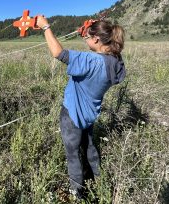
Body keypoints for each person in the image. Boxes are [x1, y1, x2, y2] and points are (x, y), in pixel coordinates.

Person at [36, 15, 126, 199]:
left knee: (73, 154)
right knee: (90, 148)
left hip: (72, 114)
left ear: (96, 39)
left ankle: (76, 192)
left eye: (88, 38)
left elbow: (58, 53)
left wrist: (46, 27)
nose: (85, 41)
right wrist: (85, 31)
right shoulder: (116, 62)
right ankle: (99, 183)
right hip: (90, 115)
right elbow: (104, 52)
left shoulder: (91, 61)